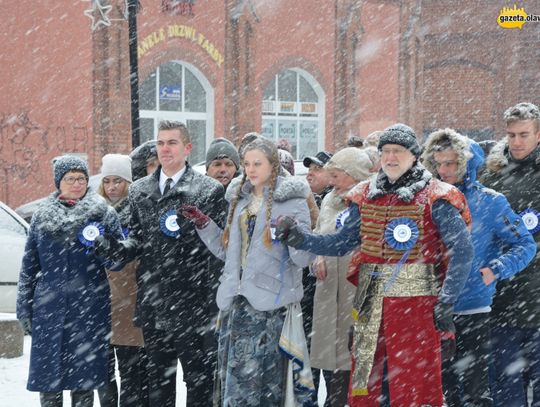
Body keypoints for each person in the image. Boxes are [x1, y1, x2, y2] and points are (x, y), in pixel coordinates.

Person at [276, 123, 475, 406]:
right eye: (385, 152)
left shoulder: (437, 196)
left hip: (416, 305)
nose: (391, 158)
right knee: (365, 382)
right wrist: (302, 239)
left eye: (398, 151)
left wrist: (447, 299)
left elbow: (463, 250)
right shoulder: (364, 193)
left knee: (412, 383)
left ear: (414, 155)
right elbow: (342, 243)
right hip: (368, 302)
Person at [94, 121, 227, 407]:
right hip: (154, 302)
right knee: (158, 385)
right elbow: (135, 242)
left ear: (188, 148)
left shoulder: (209, 190)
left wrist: (212, 301)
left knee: (199, 382)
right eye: (161, 143)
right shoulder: (140, 190)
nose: (165, 149)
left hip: (195, 304)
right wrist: (113, 248)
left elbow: (219, 251)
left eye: (172, 143)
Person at [179, 137, 315, 406]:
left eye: (257, 163)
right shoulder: (238, 200)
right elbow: (226, 251)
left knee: (266, 384)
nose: (250, 169)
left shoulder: (292, 200)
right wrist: (205, 224)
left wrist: (295, 236)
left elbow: (303, 259)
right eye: (246, 164)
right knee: (236, 387)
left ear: (272, 165)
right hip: (235, 305)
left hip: (270, 307)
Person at [421, 128, 536, 407]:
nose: (443, 170)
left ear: (466, 164)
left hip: (473, 308)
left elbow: (525, 245)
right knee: (440, 390)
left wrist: (494, 269)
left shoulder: (491, 201)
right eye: (438, 163)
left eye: (450, 163)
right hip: (430, 306)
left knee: (475, 391)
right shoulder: (425, 198)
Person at [16, 155, 123, 407]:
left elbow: (118, 261)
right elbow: (29, 267)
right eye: (70, 178)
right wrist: (24, 308)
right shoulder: (42, 216)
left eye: (82, 178)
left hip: (89, 308)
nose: (77, 183)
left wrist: (104, 245)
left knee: (82, 379)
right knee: (49, 378)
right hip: (49, 310)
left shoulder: (103, 214)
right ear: (58, 182)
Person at [480, 102, 540, 406]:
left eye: (524, 134)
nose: (516, 142)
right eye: (511, 134)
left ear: (538, 134)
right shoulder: (491, 176)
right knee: (506, 387)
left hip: (537, 297)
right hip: (501, 297)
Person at [310, 147, 377, 406]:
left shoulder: (370, 202)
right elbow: (319, 235)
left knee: (356, 362)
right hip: (328, 295)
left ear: (355, 175)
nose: (331, 181)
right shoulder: (328, 200)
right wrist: (317, 258)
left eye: (336, 175)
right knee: (330, 362)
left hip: (355, 293)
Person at [96, 154, 149, 407]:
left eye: (118, 180)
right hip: (102, 301)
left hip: (129, 299)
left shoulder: (137, 210)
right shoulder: (95, 212)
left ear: (128, 182)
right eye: (107, 181)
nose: (112, 187)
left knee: (131, 372)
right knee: (103, 374)